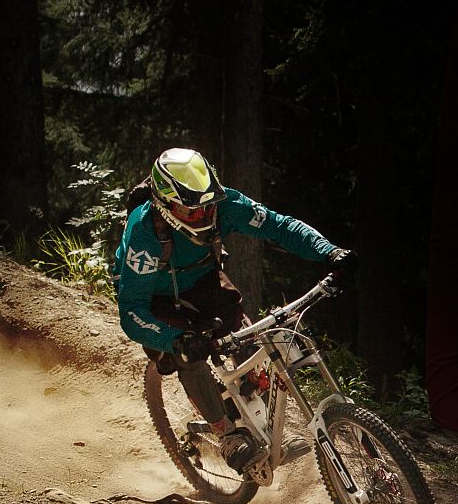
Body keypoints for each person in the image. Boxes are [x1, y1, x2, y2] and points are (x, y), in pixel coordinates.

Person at [114, 147, 356, 469]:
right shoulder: (144, 234)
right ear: (164, 205)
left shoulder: (226, 204)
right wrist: (175, 340)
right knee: (187, 354)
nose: (205, 216)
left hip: (201, 278)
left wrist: (328, 251)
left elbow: (279, 226)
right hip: (152, 295)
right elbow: (132, 312)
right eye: (192, 212)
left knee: (248, 342)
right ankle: (226, 434)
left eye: (209, 205)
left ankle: (262, 420)